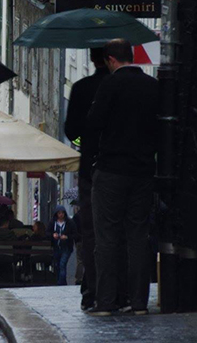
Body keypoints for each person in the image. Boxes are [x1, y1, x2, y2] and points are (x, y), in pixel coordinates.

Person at [85, 39, 158, 316]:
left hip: (112, 169)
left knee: (107, 237)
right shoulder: (152, 87)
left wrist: (93, 156)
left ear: (110, 60)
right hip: (142, 171)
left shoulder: (110, 85)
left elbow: (92, 125)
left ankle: (106, 302)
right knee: (138, 236)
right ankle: (139, 302)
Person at [64, 48, 109, 310]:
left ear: (92, 58)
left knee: (91, 233)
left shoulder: (82, 87)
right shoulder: (120, 86)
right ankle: (119, 291)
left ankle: (92, 290)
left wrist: (85, 143)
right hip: (122, 166)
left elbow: (71, 132)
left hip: (90, 167)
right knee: (120, 232)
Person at [47, 205, 76, 286]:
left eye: (62, 213)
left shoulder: (70, 223)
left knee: (62, 264)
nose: (61, 215)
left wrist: (67, 237)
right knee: (57, 264)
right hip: (56, 247)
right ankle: (61, 281)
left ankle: (60, 283)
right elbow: (47, 232)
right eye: (59, 213)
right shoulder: (53, 222)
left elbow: (75, 234)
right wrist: (53, 235)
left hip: (66, 247)